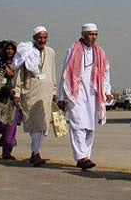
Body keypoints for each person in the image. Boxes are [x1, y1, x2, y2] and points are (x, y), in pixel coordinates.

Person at [57, 23, 112, 171]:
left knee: (90, 127)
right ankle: (81, 157)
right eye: (90, 34)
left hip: (94, 92)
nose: (93, 37)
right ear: (83, 35)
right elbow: (65, 74)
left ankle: (86, 156)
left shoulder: (100, 52)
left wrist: (107, 91)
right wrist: (61, 97)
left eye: (95, 34)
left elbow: (105, 73)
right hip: (76, 92)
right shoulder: (73, 50)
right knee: (78, 124)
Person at [12, 26, 57, 166]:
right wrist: (17, 92)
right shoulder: (27, 53)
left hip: (46, 92)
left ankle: (35, 152)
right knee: (35, 125)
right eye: (39, 37)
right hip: (31, 92)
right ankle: (35, 153)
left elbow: (52, 72)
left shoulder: (50, 52)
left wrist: (54, 91)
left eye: (44, 37)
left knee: (43, 126)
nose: (42, 40)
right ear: (35, 38)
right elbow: (19, 75)